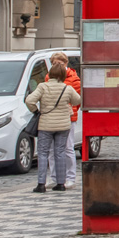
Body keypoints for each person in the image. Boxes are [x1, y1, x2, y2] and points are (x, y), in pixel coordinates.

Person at [25, 62, 81, 193]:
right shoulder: (66, 88)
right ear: (62, 75)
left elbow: (29, 100)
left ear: (50, 73)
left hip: (46, 124)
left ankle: (41, 184)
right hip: (63, 125)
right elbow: (78, 100)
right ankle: (61, 183)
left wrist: (36, 111)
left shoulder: (42, 87)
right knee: (60, 152)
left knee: (43, 153)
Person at [45, 52, 82, 188]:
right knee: (52, 149)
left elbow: (77, 99)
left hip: (67, 117)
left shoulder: (73, 78)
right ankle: (54, 176)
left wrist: (71, 111)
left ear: (65, 63)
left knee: (67, 147)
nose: (57, 66)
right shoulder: (49, 77)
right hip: (52, 116)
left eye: (59, 64)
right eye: (54, 64)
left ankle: (70, 177)